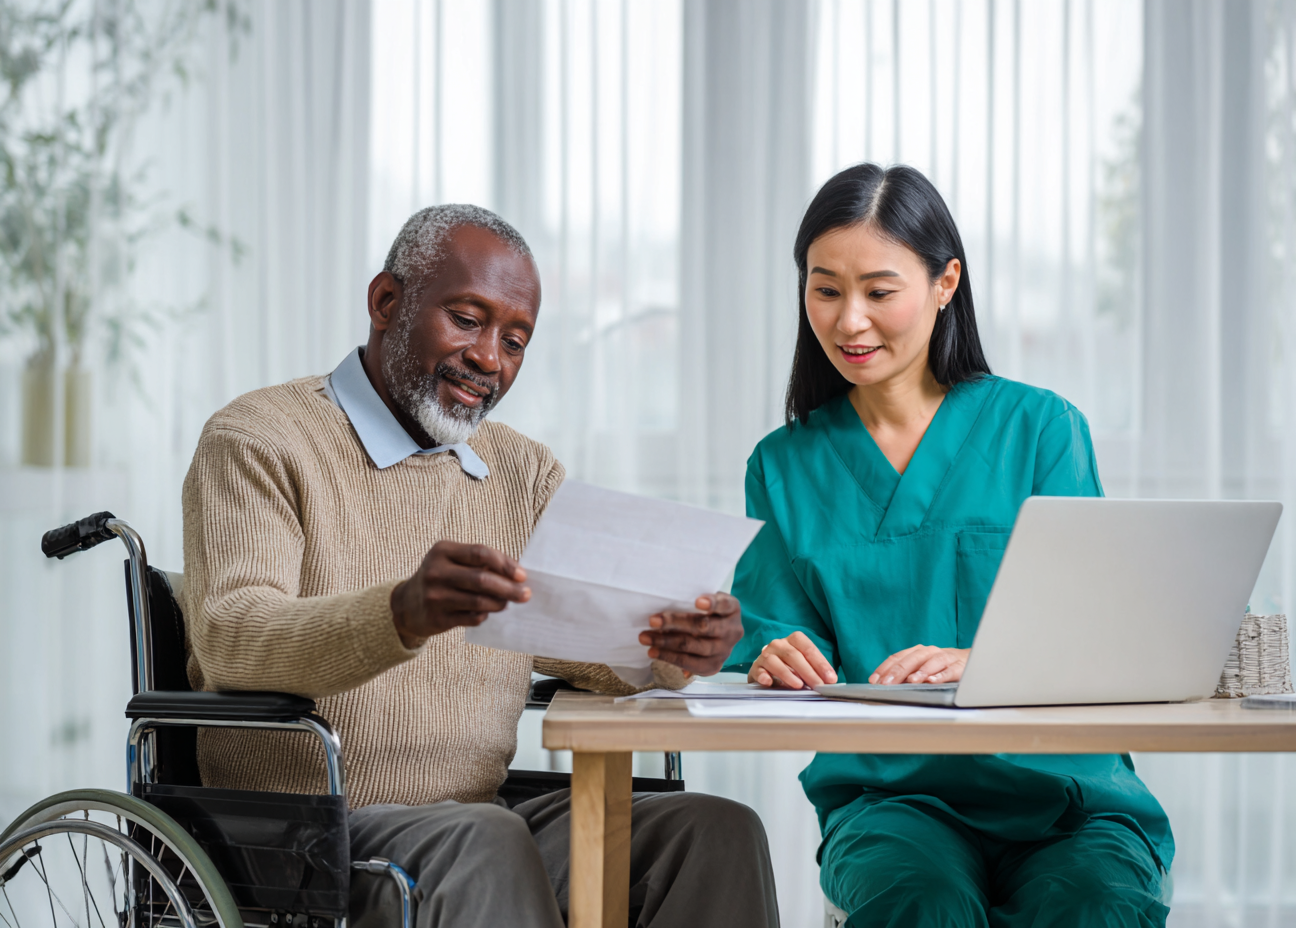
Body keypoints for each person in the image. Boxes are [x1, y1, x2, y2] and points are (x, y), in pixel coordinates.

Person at [181, 204, 778, 928]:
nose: (490, 359)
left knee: (713, 832)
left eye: (516, 341)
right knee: (487, 839)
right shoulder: (259, 440)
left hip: (476, 821)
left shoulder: (521, 472)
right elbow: (232, 637)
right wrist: (400, 613)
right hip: (310, 841)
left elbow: (582, 635)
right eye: (467, 319)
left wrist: (673, 644)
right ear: (385, 302)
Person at [723, 164, 1172, 927]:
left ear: (945, 282)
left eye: (879, 290)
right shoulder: (783, 464)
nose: (849, 321)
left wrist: (991, 662)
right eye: (825, 289)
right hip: (891, 798)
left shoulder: (1040, 430)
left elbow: (1094, 627)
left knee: (1096, 906)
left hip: (1067, 795)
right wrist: (771, 652)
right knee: (921, 904)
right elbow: (767, 623)